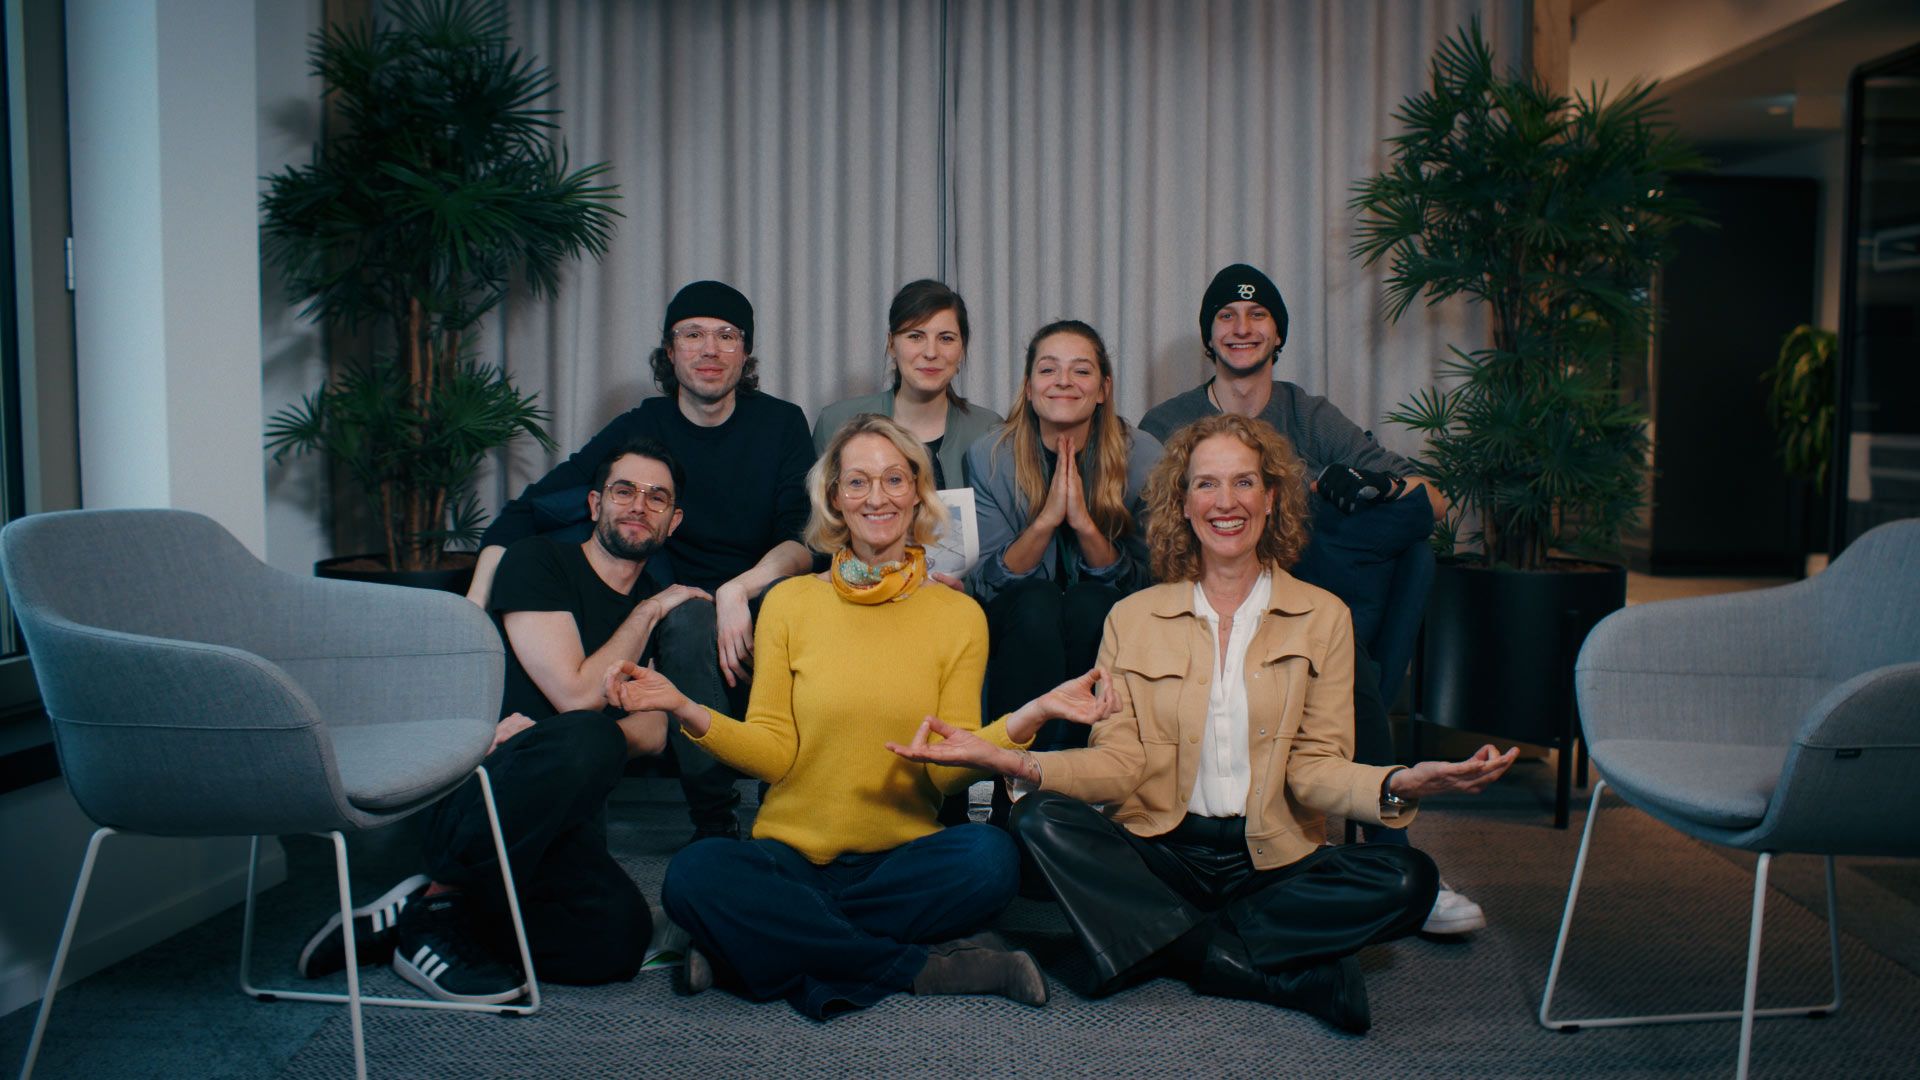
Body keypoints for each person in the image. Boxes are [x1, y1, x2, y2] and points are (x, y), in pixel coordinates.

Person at [891, 414, 1516, 1033]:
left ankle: (1168, 945)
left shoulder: (1323, 618)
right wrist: (1015, 761)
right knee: (1040, 819)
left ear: (1272, 499)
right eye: (1206, 484)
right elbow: (1119, 765)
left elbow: (1314, 769)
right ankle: (1251, 965)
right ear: (1182, 503)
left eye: (1244, 483)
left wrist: (1399, 783)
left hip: (1272, 858)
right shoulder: (1133, 618)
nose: (1226, 502)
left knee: (1409, 878)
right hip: (1163, 851)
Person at [605, 415, 1112, 1019]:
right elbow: (774, 751)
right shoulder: (792, 603)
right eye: (859, 482)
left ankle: (745, 948)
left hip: (900, 861)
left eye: (895, 479)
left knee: (990, 861)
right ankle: (920, 967)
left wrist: (1029, 715)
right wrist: (685, 707)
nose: (878, 497)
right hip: (790, 857)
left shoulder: (957, 616)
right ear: (835, 500)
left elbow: (947, 773)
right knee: (694, 874)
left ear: (918, 495)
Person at [1139, 262, 1484, 935]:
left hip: (1307, 602)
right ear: (1209, 338)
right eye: (1226, 318)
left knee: (1385, 536)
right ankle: (1388, 858)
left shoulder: (1309, 413)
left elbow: (1432, 502)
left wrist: (1375, 489)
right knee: (1315, 549)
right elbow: (1160, 531)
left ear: (1277, 334)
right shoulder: (1169, 421)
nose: (1242, 328)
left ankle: (1389, 864)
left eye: (1257, 316)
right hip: (1212, 600)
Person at [297, 439, 698, 1003]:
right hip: (487, 793)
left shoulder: (659, 601)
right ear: (594, 503)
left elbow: (653, 735)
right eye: (624, 490)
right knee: (587, 732)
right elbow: (579, 696)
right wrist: (646, 613)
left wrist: (554, 737)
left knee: (617, 945)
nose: (639, 505)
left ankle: (411, 916)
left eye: (658, 498)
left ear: (673, 521)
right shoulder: (538, 562)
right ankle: (437, 911)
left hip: (562, 822)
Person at [468, 280, 815, 844]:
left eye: (727, 336)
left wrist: (738, 591)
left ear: (745, 353)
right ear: (670, 350)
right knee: (688, 620)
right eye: (693, 335)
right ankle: (714, 822)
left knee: (800, 613)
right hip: (668, 599)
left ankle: (795, 812)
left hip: (759, 589)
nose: (710, 349)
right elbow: (525, 513)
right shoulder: (642, 425)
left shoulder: (781, 423)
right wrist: (473, 608)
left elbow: (803, 537)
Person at [965, 319, 1161, 752]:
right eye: (1049, 369)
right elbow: (986, 582)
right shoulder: (990, 456)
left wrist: (1085, 526)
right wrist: (1046, 521)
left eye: (1082, 370)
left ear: (1104, 388)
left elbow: (1151, 583)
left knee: (1090, 603)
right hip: (1018, 623)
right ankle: (1016, 776)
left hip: (1104, 619)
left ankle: (1083, 776)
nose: (1064, 382)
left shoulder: (1143, 455)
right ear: (1030, 388)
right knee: (1037, 602)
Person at [813, 278, 1003, 489]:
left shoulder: (989, 431)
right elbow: (821, 517)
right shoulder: (836, 423)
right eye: (915, 336)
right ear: (892, 344)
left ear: (962, 348)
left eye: (946, 338)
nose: (931, 352)